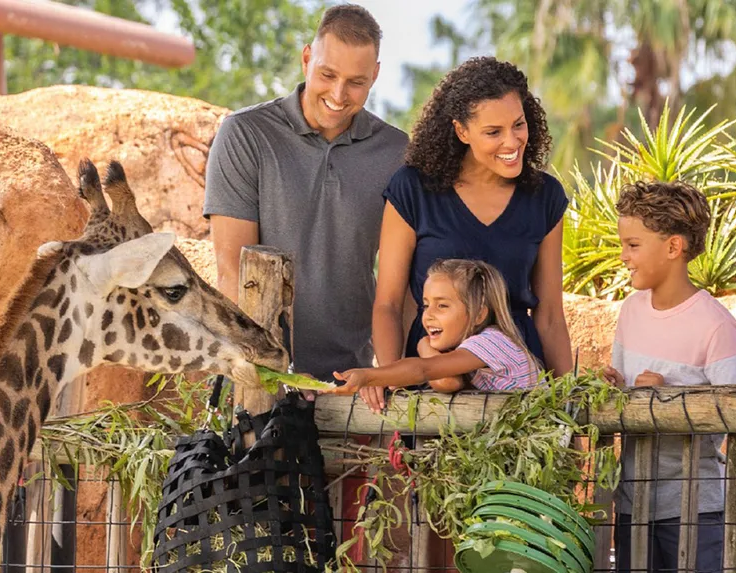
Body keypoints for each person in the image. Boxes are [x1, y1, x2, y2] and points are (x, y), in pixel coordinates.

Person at [202, 4, 409, 380]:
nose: (338, 94)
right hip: (264, 375)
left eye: (356, 82)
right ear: (306, 58)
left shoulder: (396, 154)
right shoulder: (245, 135)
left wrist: (396, 379)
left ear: (375, 76)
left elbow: (404, 283)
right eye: (327, 74)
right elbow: (233, 271)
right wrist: (271, 376)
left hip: (356, 378)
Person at [366, 56, 573, 412]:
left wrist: (570, 403)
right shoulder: (413, 189)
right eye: (493, 132)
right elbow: (388, 303)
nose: (512, 142)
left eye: (518, 125)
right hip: (430, 382)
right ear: (462, 131)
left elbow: (551, 314)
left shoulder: (545, 197)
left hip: (516, 392)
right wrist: (390, 382)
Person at [604, 181, 736, 573]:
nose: (623, 256)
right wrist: (610, 389)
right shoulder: (630, 312)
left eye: (633, 245)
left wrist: (667, 400)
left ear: (673, 247)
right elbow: (625, 390)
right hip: (633, 505)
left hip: (696, 511)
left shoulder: (716, 326)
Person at [322, 258, 540, 395]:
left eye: (442, 305)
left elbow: (427, 371)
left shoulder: (492, 342)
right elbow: (448, 382)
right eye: (426, 305)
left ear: (479, 315)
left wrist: (369, 376)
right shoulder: (469, 352)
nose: (428, 315)